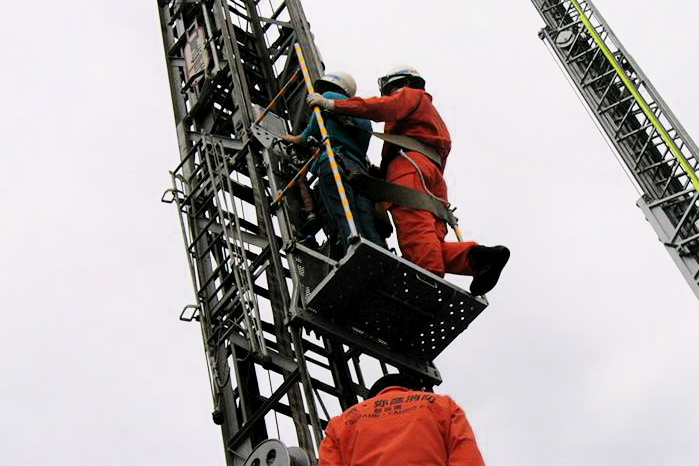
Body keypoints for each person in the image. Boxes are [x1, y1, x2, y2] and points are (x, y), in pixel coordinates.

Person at [306, 65, 509, 295]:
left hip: (408, 168)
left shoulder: (411, 96)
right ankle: (480, 258)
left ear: (402, 83)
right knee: (430, 238)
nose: (389, 94)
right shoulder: (426, 117)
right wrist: (379, 174)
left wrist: (333, 105)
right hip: (431, 174)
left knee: (416, 232)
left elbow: (384, 107)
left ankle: (426, 282)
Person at [283, 71, 386, 257]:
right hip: (359, 171)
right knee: (366, 219)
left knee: (343, 213)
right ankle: (379, 255)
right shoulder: (362, 115)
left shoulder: (329, 99)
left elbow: (307, 136)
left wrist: (290, 139)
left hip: (333, 162)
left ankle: (352, 251)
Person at [318, 373, 485, 466]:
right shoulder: (442, 405)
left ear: (372, 398)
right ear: (413, 391)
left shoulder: (341, 424)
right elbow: (468, 459)